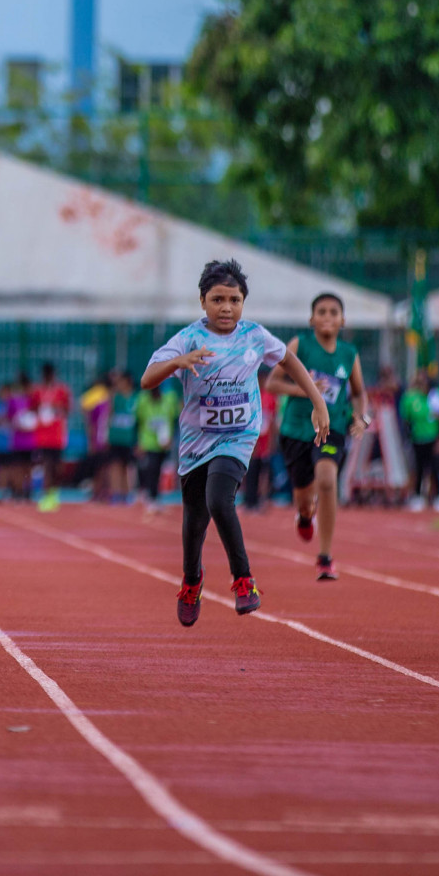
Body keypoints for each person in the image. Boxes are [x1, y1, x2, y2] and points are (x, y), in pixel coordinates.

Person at [142, 259, 328, 627]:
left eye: (234, 299)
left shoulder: (255, 336)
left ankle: (244, 580)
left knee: (219, 498)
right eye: (217, 299)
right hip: (196, 442)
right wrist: (179, 361)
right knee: (194, 521)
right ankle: (192, 580)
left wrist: (317, 402)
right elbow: (148, 378)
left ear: (243, 302)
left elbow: (289, 361)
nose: (226, 307)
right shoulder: (189, 338)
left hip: (239, 436)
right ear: (202, 302)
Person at [267, 293, 368, 581]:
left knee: (326, 479)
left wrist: (362, 419)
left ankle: (325, 557)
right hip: (297, 430)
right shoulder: (300, 344)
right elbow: (272, 382)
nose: (327, 317)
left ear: (342, 320)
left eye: (333, 312)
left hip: (332, 427)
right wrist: (307, 390)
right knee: (303, 499)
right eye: (321, 311)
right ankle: (304, 515)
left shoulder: (349, 354)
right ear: (311, 319)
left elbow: (360, 394)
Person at [400, 370, 439, 512]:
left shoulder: (435, 397)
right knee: (418, 468)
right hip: (417, 438)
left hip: (433, 438)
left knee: (435, 468)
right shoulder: (411, 398)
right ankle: (417, 496)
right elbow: (406, 419)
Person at [134, 382, 181, 513]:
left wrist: (172, 438)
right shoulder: (142, 400)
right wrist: (138, 443)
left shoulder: (170, 399)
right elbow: (138, 421)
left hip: (164, 442)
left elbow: (175, 419)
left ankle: (155, 497)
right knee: (151, 468)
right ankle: (150, 496)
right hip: (148, 442)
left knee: (159, 469)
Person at [31, 363, 71, 510]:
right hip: (42, 434)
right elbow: (32, 407)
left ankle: (54, 494)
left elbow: (67, 410)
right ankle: (47, 495)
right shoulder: (37, 390)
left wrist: (56, 409)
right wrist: (42, 410)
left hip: (57, 434)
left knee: (56, 467)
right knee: (46, 465)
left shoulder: (62, 390)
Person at [241, 368, 278, 511]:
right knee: (250, 471)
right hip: (253, 440)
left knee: (264, 472)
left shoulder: (270, 397)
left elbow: (273, 420)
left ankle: (260, 499)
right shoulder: (252, 395)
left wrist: (271, 441)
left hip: (265, 440)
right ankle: (249, 500)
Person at [106, 372, 139, 503]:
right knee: (115, 466)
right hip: (116, 438)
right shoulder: (115, 397)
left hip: (130, 438)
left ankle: (127, 493)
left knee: (128, 467)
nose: (118, 384)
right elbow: (109, 415)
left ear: (127, 381)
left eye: (120, 381)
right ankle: (116, 493)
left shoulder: (137, 398)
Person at [7, 373, 37, 500]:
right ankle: (17, 491)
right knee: (18, 467)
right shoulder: (14, 400)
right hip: (19, 440)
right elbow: (9, 418)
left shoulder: (33, 400)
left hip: (31, 440)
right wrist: (18, 422)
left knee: (28, 467)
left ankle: (27, 491)